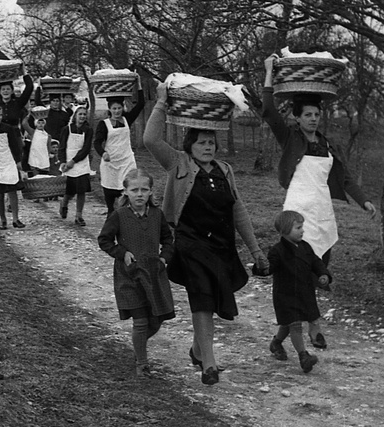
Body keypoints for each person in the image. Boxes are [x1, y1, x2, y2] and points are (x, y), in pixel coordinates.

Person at [143, 81, 267, 385]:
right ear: (190, 145)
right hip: (188, 243)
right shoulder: (178, 163)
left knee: (211, 299)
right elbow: (149, 139)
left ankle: (199, 350)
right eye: (201, 141)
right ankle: (209, 365)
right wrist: (161, 102)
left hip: (221, 246)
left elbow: (238, 211)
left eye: (211, 141)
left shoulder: (225, 170)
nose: (207, 146)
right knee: (201, 295)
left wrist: (256, 251)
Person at [261, 54, 376, 349]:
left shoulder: (327, 144)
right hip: (298, 211)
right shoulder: (290, 139)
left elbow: (346, 177)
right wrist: (269, 74)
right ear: (297, 118)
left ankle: (279, 340)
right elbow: (268, 111)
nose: (313, 118)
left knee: (316, 270)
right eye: (307, 114)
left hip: (322, 212)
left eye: (316, 114)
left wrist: (363, 202)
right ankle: (315, 328)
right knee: (298, 271)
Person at [97, 168, 175, 377]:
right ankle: (142, 364)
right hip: (129, 275)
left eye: (144, 189)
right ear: (126, 192)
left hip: (153, 274)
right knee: (140, 321)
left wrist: (164, 257)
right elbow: (104, 240)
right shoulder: (119, 216)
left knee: (156, 319)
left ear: (150, 192)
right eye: (134, 190)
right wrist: (121, 253)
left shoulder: (157, 215)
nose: (139, 194)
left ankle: (138, 345)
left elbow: (168, 240)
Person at [267, 210, 330, 374]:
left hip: (304, 292)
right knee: (294, 324)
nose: (302, 230)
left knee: (289, 323)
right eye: (298, 227)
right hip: (285, 295)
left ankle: (276, 343)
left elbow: (316, 262)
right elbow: (269, 268)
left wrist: (323, 274)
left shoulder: (305, 247)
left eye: (302, 227)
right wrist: (261, 268)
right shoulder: (277, 251)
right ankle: (304, 356)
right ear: (285, 230)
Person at [94, 88, 146, 214]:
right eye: (114, 109)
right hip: (111, 162)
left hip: (127, 159)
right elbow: (97, 142)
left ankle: (128, 215)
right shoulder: (104, 124)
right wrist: (103, 153)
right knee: (110, 193)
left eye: (119, 108)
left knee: (129, 186)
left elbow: (141, 104)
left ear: (122, 108)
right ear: (110, 110)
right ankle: (111, 216)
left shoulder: (127, 119)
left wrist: (138, 87)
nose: (117, 111)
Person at [58, 104, 94, 226]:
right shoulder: (66, 129)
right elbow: (62, 147)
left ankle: (79, 215)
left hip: (81, 162)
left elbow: (86, 148)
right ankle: (64, 203)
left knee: (81, 189)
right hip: (68, 162)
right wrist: (63, 162)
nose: (82, 116)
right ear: (75, 116)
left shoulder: (88, 130)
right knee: (70, 190)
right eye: (80, 114)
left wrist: (74, 161)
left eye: (84, 114)